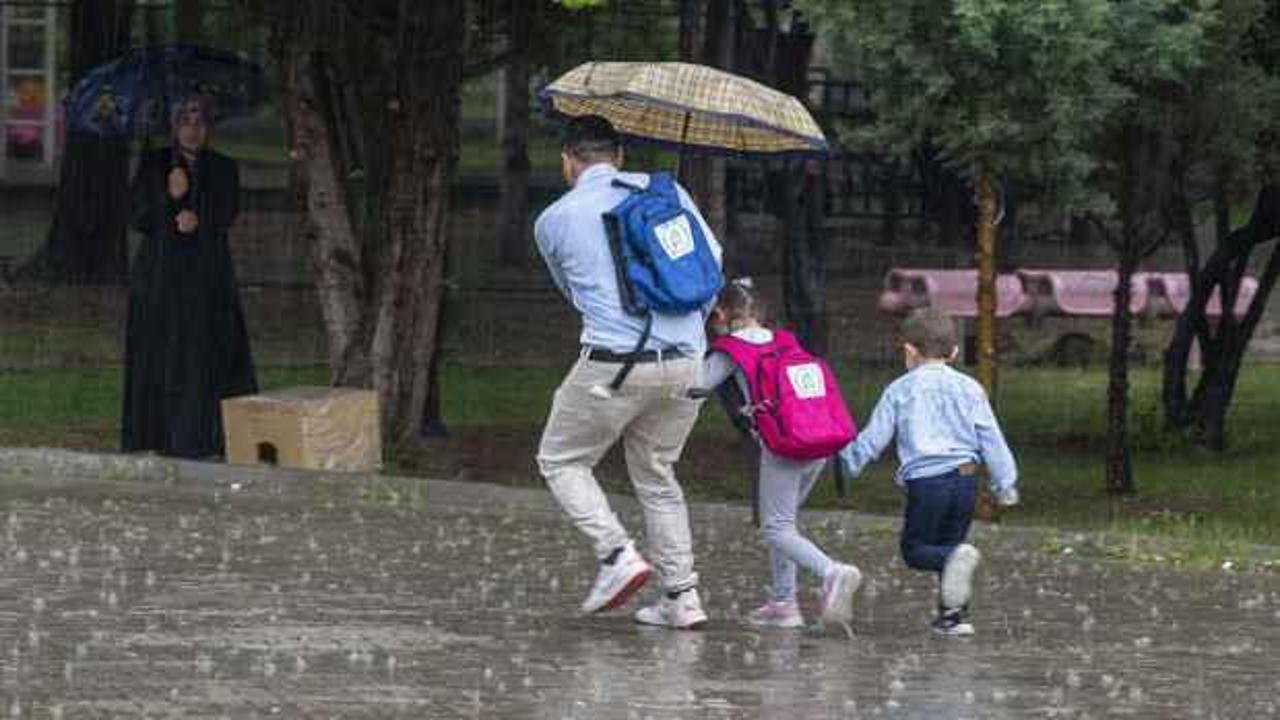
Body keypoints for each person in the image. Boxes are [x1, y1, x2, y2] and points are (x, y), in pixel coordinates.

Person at [534, 115, 722, 629]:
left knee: (562, 460)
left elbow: (572, 292)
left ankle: (617, 555)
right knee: (658, 474)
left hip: (614, 365)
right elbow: (712, 267)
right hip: (688, 362)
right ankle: (682, 597)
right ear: (619, 155)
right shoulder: (668, 194)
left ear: (568, 162)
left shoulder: (555, 218)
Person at [691, 279, 863, 630]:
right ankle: (784, 603)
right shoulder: (786, 341)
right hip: (818, 441)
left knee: (777, 527)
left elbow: (694, 385)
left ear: (721, 314)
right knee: (785, 523)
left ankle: (832, 572)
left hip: (783, 445)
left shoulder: (731, 349)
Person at [838, 308, 1019, 636]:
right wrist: (1005, 483)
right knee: (953, 548)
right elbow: (991, 436)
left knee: (917, 550)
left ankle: (953, 569)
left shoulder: (900, 389)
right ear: (954, 353)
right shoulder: (970, 388)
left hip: (927, 483)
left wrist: (847, 463)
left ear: (909, 351)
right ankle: (954, 618)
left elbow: (875, 437)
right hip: (966, 479)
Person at [121, 97, 257, 459]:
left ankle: (202, 436)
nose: (193, 129)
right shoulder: (155, 163)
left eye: (199, 121)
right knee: (162, 352)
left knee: (203, 350)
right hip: (161, 273)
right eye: (185, 120)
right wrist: (171, 197)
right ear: (174, 126)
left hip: (206, 273)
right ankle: (158, 434)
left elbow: (227, 211)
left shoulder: (223, 166)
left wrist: (199, 219)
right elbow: (139, 218)